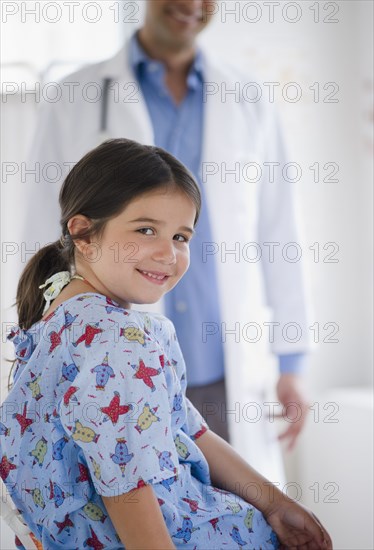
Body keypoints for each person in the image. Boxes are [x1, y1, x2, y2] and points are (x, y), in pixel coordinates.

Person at [23, 0, 311, 479]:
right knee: (139, 508)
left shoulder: (248, 96)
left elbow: (279, 229)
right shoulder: (74, 95)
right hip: (113, 365)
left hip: (225, 366)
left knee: (231, 517)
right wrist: (43, 343)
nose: (192, 5)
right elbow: (42, 224)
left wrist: (292, 359)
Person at [0, 139, 331, 550]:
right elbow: (126, 484)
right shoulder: (119, 338)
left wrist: (275, 503)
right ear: (83, 234)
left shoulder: (63, 315)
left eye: (181, 236)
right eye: (145, 230)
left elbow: (185, 426)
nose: (168, 252)